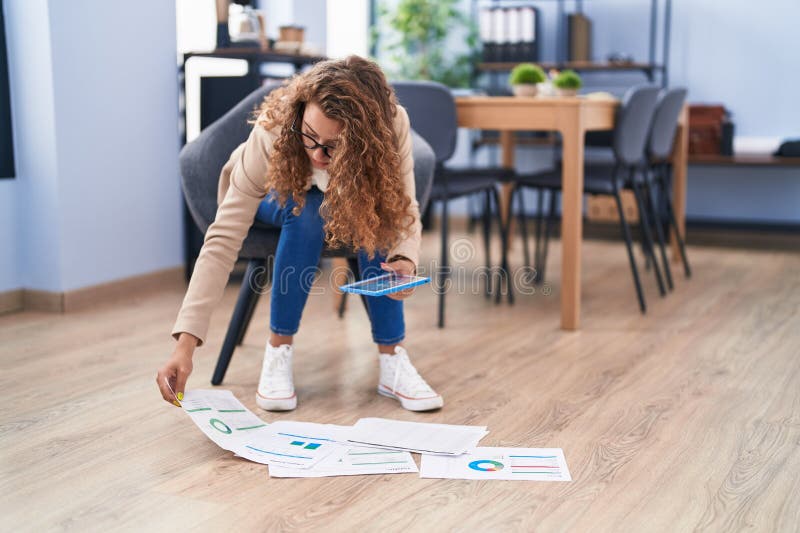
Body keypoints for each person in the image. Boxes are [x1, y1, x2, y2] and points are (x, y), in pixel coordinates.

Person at [156, 56, 443, 412]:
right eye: (310, 136)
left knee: (376, 213)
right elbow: (222, 241)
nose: (317, 154)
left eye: (334, 145)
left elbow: (403, 207)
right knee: (307, 212)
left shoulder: (392, 123)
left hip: (346, 196)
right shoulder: (274, 130)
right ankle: (278, 350)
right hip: (273, 195)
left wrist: (404, 258)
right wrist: (184, 345)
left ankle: (392, 360)